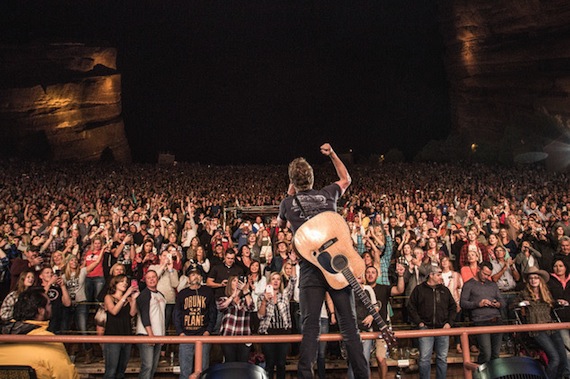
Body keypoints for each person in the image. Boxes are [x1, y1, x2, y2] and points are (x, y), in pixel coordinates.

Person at [277, 143, 368, 379]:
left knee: (310, 328)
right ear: (312, 177)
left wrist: (292, 189)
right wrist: (333, 154)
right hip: (337, 268)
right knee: (350, 328)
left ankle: (306, 375)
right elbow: (346, 178)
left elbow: (280, 226)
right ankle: (362, 375)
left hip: (311, 270)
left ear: (293, 182)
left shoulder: (288, 203)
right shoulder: (327, 194)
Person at [0, 287, 79, 379]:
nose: (51, 307)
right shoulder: (48, 341)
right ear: (40, 310)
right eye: (49, 304)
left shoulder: (3, 337)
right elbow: (67, 375)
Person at [515, 267, 570, 379]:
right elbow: (512, 306)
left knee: (563, 357)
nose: (533, 280)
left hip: (550, 326)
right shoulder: (524, 293)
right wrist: (521, 303)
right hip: (537, 329)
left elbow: (551, 304)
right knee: (555, 358)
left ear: (540, 280)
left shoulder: (545, 292)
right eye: (531, 278)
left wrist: (559, 302)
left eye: (536, 278)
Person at [408, 265, 457, 379]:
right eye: (439, 274)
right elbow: (411, 307)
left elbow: (453, 307)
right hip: (425, 329)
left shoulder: (444, 290)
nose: (441, 277)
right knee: (424, 358)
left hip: (442, 328)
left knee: (442, 358)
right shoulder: (419, 289)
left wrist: (449, 323)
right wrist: (419, 322)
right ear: (431, 275)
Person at [174, 264, 217, 379]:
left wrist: (208, 331)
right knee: (185, 371)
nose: (195, 277)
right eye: (192, 275)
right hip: (186, 336)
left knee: (203, 371)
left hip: (203, 335)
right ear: (188, 278)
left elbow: (213, 312)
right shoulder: (182, 293)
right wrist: (180, 333)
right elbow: (177, 314)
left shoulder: (207, 292)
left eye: (197, 275)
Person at [364, 265, 405, 379]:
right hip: (365, 328)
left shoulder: (383, 288)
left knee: (380, 358)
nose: (370, 274)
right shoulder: (361, 289)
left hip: (381, 328)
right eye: (368, 272)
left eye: (373, 272)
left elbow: (399, 290)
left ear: (377, 276)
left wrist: (400, 275)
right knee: (364, 359)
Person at [460, 261, 504, 364]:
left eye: (488, 275)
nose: (486, 277)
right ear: (478, 269)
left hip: (496, 319)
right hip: (481, 320)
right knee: (486, 353)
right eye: (484, 274)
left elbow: (502, 301)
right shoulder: (469, 284)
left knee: (495, 354)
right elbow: (463, 303)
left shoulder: (492, 285)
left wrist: (498, 304)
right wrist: (478, 304)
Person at [258, 271, 297, 379]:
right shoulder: (262, 296)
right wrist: (265, 301)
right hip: (268, 332)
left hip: (283, 332)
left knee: (281, 363)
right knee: (269, 364)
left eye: (278, 279)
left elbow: (293, 282)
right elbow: (260, 316)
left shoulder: (284, 295)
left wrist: (293, 263)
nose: (276, 281)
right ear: (269, 282)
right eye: (273, 279)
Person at [103, 274, 139, 379]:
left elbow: (132, 314)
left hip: (126, 335)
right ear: (115, 283)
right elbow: (114, 311)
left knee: (121, 371)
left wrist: (134, 299)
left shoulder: (128, 299)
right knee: (111, 370)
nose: (125, 283)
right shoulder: (108, 297)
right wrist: (125, 296)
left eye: (126, 282)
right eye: (122, 281)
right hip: (113, 336)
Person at [136, 269, 166, 379]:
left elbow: (161, 316)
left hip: (158, 335)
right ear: (145, 280)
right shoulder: (144, 295)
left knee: (153, 367)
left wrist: (162, 336)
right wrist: (150, 334)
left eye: (154, 277)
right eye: (149, 278)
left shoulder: (161, 295)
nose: (152, 279)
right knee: (147, 366)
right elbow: (145, 315)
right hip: (146, 334)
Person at [216, 275, 255, 362]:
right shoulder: (224, 298)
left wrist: (245, 290)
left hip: (244, 336)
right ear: (230, 284)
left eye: (238, 281)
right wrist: (233, 295)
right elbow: (221, 307)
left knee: (243, 364)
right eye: (234, 281)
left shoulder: (245, 299)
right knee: (230, 363)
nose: (237, 283)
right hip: (228, 336)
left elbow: (251, 307)